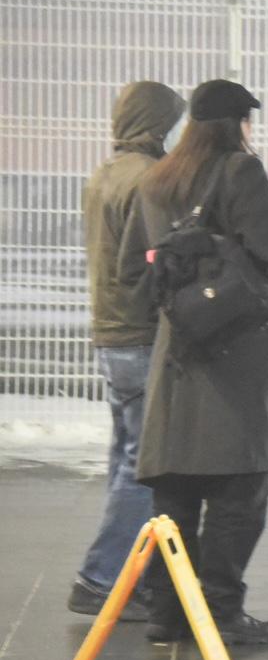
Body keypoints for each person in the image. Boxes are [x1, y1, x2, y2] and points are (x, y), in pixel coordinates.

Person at [129, 80, 268, 644]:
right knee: (238, 491)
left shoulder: (156, 181)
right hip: (236, 360)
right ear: (235, 123)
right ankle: (221, 613)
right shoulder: (239, 172)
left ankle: (167, 613)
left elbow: (142, 266)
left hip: (177, 353)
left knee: (174, 489)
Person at [70, 81, 186, 621]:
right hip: (139, 336)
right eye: (169, 123)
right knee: (143, 469)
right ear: (154, 123)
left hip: (109, 335)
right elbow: (151, 260)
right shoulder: (145, 178)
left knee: (126, 459)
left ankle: (124, 580)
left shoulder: (105, 173)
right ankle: (99, 579)